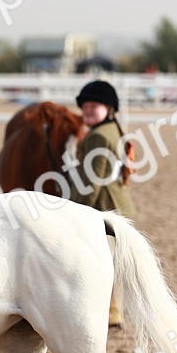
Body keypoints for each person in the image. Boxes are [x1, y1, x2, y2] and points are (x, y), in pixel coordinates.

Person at [72, 79, 136, 327]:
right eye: (84, 106)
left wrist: (74, 210)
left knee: (103, 262)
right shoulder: (113, 130)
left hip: (104, 207)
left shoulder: (98, 137)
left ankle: (111, 313)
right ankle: (113, 311)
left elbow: (91, 182)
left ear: (108, 109)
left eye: (94, 106)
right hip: (118, 203)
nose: (87, 110)